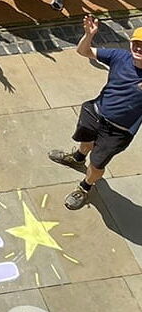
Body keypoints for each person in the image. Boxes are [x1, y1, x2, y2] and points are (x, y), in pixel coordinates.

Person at [49, 15, 142, 210]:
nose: (139, 48)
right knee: (87, 138)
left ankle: (85, 187)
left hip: (119, 131)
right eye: (136, 43)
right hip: (96, 111)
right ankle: (77, 158)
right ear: (131, 43)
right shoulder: (119, 56)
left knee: (98, 164)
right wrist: (89, 35)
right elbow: (83, 51)